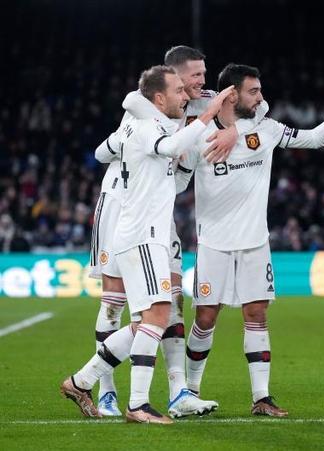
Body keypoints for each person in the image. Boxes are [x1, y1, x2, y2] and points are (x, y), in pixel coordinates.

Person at [90, 45, 268, 418]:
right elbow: (106, 149)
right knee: (114, 303)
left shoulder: (200, 102)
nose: (203, 81)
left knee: (170, 305)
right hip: (122, 205)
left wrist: (232, 130)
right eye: (196, 75)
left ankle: (178, 393)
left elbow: (259, 107)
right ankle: (104, 390)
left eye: (204, 74)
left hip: (160, 211)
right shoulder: (144, 106)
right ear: (174, 76)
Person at [173, 63, 324, 417]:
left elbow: (315, 139)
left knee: (256, 315)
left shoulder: (267, 129)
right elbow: (179, 183)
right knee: (206, 318)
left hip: (256, 242)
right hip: (213, 243)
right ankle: (189, 392)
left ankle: (262, 398)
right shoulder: (201, 134)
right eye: (253, 91)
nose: (260, 97)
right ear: (231, 95)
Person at [61, 65, 231, 424]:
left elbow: (117, 151)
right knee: (157, 315)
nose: (184, 96)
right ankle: (135, 403)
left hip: (142, 235)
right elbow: (169, 145)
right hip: (142, 236)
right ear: (158, 98)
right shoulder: (147, 126)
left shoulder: (149, 125)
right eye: (177, 91)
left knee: (150, 320)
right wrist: (210, 114)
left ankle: (82, 381)